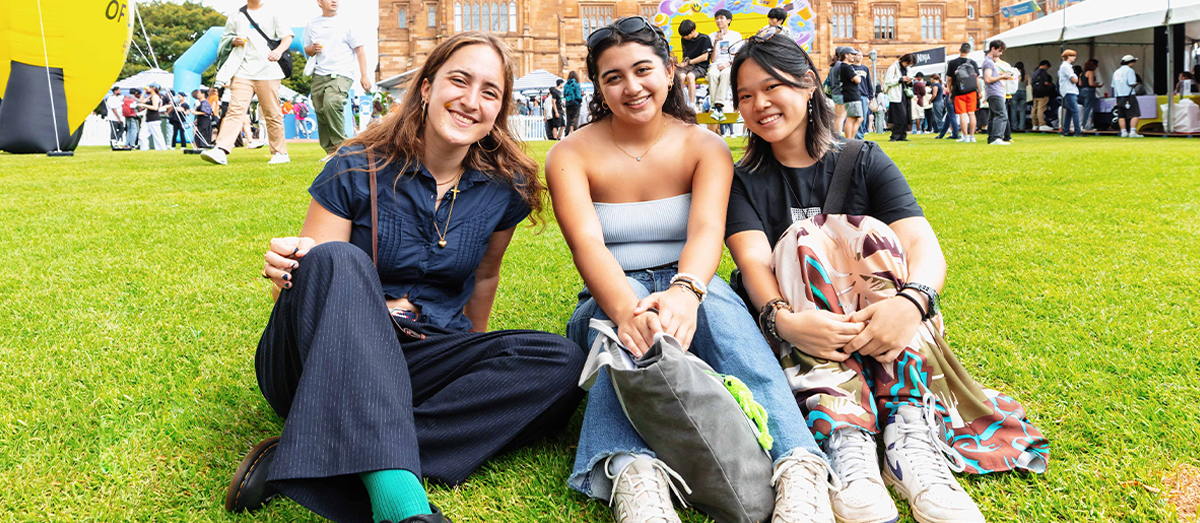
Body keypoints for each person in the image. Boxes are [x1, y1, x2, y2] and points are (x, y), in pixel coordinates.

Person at [227, 32, 586, 523]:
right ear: (426, 88)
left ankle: (319, 449)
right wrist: (288, 266)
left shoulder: (506, 188)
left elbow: (484, 278)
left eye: (489, 92)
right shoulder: (355, 165)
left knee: (561, 360)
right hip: (322, 359)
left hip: (421, 351)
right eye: (459, 81)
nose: (470, 101)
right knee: (337, 260)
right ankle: (401, 504)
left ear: (500, 109)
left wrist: (470, 365)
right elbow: (308, 284)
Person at [725, 32, 1050, 523]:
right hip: (801, 335)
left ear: (809, 84)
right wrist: (783, 321)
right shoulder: (741, 176)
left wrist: (911, 303)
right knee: (802, 239)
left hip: (885, 326)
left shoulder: (862, 159)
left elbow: (923, 246)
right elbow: (752, 262)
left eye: (772, 88)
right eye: (745, 96)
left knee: (868, 233)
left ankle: (907, 433)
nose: (759, 105)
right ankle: (844, 431)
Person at [547, 21, 835, 523]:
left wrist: (687, 290)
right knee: (628, 322)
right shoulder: (569, 153)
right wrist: (627, 311)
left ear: (669, 70)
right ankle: (633, 473)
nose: (631, 87)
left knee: (722, 310)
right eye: (613, 77)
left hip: (694, 289)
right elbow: (587, 244)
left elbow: (705, 231)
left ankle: (799, 464)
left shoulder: (705, 146)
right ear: (598, 86)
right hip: (610, 297)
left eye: (642, 70)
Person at [202, 0, 292, 166]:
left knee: (271, 111)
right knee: (235, 109)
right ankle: (221, 150)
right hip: (242, 70)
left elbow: (287, 36)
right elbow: (225, 39)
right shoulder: (236, 15)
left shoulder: (273, 12)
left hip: (268, 70)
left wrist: (278, 51)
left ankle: (280, 152)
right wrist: (233, 41)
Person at [304, 0, 371, 161]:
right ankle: (331, 151)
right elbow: (307, 48)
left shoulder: (347, 23)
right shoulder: (312, 24)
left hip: (342, 72)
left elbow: (360, 50)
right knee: (320, 110)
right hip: (319, 73)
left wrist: (364, 75)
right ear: (319, 2)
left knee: (332, 103)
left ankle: (342, 148)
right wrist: (313, 49)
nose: (334, 1)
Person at [705, 10, 742, 121]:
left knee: (726, 73)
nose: (718, 20)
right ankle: (716, 108)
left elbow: (738, 55)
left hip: (730, 65)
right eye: (717, 18)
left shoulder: (736, 35)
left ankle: (718, 106)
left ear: (728, 20)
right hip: (715, 65)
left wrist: (728, 63)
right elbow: (713, 59)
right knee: (711, 74)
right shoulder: (711, 36)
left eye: (721, 18)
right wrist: (716, 42)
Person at [946, 43, 979, 143]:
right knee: (972, 114)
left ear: (959, 50)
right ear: (969, 51)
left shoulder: (952, 63)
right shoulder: (973, 63)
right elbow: (976, 78)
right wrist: (979, 91)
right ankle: (972, 136)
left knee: (962, 114)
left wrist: (950, 91)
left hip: (959, 91)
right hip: (972, 91)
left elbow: (949, 79)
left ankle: (965, 136)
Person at [982, 40, 1012, 145]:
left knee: (993, 116)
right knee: (1002, 115)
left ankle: (992, 138)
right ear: (993, 49)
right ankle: (997, 138)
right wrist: (1002, 76)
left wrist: (998, 75)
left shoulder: (989, 62)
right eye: (999, 51)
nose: (1000, 54)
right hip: (995, 92)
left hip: (992, 92)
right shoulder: (989, 62)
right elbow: (988, 79)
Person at [677, 19, 712, 108]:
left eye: (686, 35)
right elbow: (686, 55)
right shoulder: (684, 40)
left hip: (701, 66)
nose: (685, 37)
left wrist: (689, 62)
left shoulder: (704, 38)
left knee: (690, 77)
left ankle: (692, 104)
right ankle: (679, 103)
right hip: (688, 65)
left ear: (693, 30)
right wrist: (682, 64)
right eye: (683, 35)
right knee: (680, 77)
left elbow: (705, 57)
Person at [884, 53, 913, 142]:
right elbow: (888, 81)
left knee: (906, 116)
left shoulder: (907, 69)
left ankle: (902, 135)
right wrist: (900, 79)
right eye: (907, 63)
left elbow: (910, 81)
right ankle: (895, 135)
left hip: (905, 95)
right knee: (898, 116)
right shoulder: (893, 67)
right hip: (896, 95)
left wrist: (908, 81)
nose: (907, 65)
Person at [1112, 55, 1143, 138]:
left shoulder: (1116, 72)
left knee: (1121, 115)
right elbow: (1131, 82)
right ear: (1131, 62)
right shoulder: (1130, 71)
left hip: (1119, 96)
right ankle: (1132, 132)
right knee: (1135, 114)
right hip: (1129, 95)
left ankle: (1123, 132)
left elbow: (1113, 85)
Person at [839, 47, 863, 139]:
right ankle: (850, 139)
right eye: (852, 54)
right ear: (846, 55)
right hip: (851, 95)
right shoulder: (846, 67)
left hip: (851, 95)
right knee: (852, 118)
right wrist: (858, 77)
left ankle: (851, 139)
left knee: (858, 118)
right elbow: (857, 80)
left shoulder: (845, 67)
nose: (854, 56)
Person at [1057, 50, 1081, 137]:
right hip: (1070, 91)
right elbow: (1074, 79)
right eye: (1073, 56)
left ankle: (1066, 131)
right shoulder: (1066, 66)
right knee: (1075, 111)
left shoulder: (1064, 66)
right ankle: (1077, 131)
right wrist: (1077, 77)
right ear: (1068, 56)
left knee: (1069, 112)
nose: (1074, 57)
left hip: (1067, 91)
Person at [137, 83, 168, 150]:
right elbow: (141, 101)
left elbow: (155, 107)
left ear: (153, 88)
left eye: (149, 87)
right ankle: (144, 149)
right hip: (148, 119)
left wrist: (145, 106)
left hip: (154, 119)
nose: (148, 88)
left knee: (157, 136)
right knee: (142, 136)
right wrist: (144, 92)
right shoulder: (150, 96)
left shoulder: (155, 97)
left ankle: (162, 149)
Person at [851, 50, 872, 139]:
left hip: (864, 95)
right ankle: (857, 136)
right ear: (854, 56)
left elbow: (868, 83)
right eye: (858, 55)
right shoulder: (850, 68)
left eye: (861, 55)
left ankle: (860, 135)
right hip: (854, 95)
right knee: (856, 117)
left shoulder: (865, 68)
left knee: (863, 117)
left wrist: (871, 96)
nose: (860, 57)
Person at [829, 47, 848, 136]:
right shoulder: (840, 65)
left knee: (837, 116)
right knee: (841, 116)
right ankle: (838, 134)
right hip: (840, 93)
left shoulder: (833, 66)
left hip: (834, 92)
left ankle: (835, 134)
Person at [1031, 60, 1054, 131]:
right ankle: (1042, 124)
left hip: (1035, 93)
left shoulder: (1035, 73)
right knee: (1041, 109)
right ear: (1045, 65)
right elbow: (1046, 82)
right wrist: (1051, 85)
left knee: (1034, 109)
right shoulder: (1043, 72)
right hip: (1043, 93)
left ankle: (1034, 125)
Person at [1080, 59, 1102, 131]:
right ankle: (1087, 125)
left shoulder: (1081, 73)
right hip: (1089, 91)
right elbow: (1091, 83)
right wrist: (1098, 85)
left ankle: (1082, 124)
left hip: (1082, 91)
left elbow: (1080, 84)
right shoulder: (1090, 72)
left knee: (1084, 108)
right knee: (1088, 109)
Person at [1010, 61, 1027, 132]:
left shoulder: (1014, 74)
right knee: (1022, 110)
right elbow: (1027, 84)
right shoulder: (1025, 75)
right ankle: (1022, 126)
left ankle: (1014, 126)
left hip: (1015, 92)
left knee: (1013, 110)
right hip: (1023, 92)